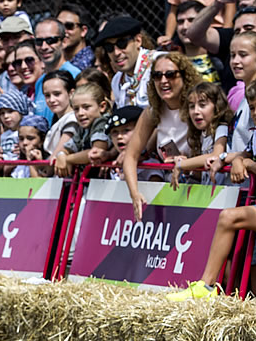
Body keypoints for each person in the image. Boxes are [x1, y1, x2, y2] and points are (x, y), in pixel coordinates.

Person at [166, 76, 256, 300]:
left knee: (228, 218)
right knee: (254, 259)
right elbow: (242, 155)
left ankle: (207, 285)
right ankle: (251, 302)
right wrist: (234, 159)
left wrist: (243, 163)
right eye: (252, 108)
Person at [122, 53, 203, 208]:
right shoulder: (153, 111)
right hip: (171, 191)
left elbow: (214, 154)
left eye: (171, 74)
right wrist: (135, 194)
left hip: (203, 190)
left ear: (185, 76)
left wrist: (186, 165)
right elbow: (130, 156)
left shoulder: (199, 107)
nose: (164, 81)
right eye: (157, 76)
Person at [174, 81, 233, 184]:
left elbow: (216, 155)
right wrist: (188, 166)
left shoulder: (221, 128)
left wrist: (182, 164)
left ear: (217, 107)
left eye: (202, 105)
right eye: (192, 106)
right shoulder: (202, 134)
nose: (196, 111)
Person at [97, 15, 156, 109]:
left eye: (122, 43)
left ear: (138, 41)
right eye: (109, 47)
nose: (116, 53)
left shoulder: (159, 63)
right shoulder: (117, 80)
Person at [55, 83, 112, 177]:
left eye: (86, 107)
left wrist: (67, 159)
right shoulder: (82, 127)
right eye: (76, 109)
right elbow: (67, 149)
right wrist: (61, 155)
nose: (80, 113)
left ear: (102, 107)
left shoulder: (102, 122)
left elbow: (95, 152)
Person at [172, 0, 222, 85]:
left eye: (191, 20)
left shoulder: (223, 60)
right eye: (180, 22)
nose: (185, 27)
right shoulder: (172, 64)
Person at [42, 70, 78, 161]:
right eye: (47, 95)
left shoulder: (72, 120)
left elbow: (55, 157)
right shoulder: (60, 120)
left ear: (71, 93)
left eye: (57, 94)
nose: (51, 100)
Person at [57, 4, 96, 71]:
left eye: (69, 26)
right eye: (59, 26)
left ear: (83, 31)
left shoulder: (90, 63)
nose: (63, 31)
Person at [0, 91, 29, 161]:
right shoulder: (4, 135)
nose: (5, 116)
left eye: (10, 111)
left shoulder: (28, 134)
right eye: (2, 113)